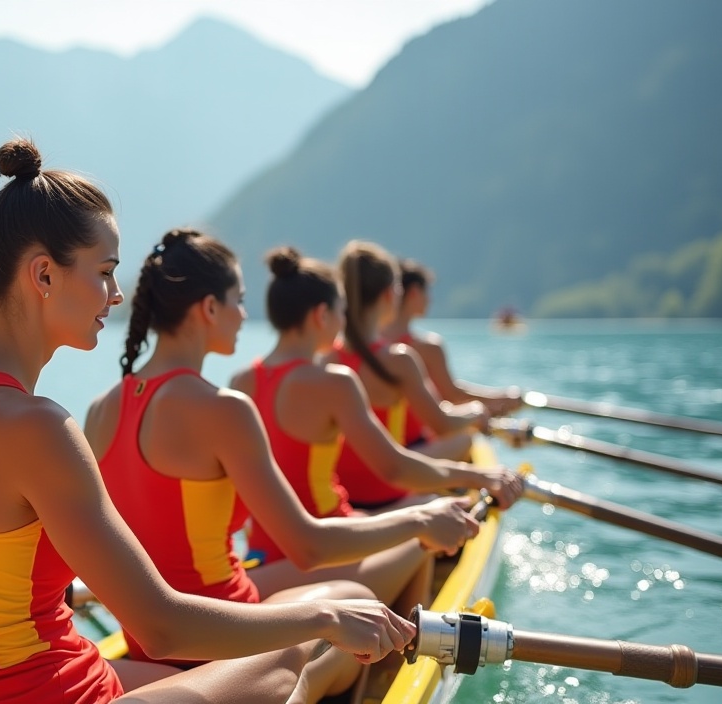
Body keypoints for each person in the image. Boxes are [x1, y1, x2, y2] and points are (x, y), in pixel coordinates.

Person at [0, 139, 416, 704]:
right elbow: (161, 627)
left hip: (5, 688)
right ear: (43, 275)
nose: (116, 295)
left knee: (321, 624)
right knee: (302, 650)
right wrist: (323, 620)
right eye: (105, 272)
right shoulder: (36, 426)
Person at [82, 230, 479, 701]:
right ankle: (395, 679)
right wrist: (421, 518)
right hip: (229, 639)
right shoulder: (223, 409)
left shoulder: (99, 410)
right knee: (380, 585)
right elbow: (308, 546)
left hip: (148, 642)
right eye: (238, 300)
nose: (245, 315)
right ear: (209, 308)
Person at [228, 246, 522, 566]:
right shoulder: (337, 379)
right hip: (329, 536)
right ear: (321, 316)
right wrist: (479, 475)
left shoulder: (243, 381)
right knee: (427, 522)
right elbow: (395, 467)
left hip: (262, 548)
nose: (344, 320)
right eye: (341, 310)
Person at [327, 240, 511, 509]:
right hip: (389, 492)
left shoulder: (326, 358)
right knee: (467, 439)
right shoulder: (398, 359)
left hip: (343, 494)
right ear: (390, 295)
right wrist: (477, 411)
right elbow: (442, 424)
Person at [382, 259, 522, 416]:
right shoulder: (429, 348)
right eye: (427, 292)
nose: (430, 299)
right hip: (421, 435)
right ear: (414, 292)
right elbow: (452, 396)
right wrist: (500, 397)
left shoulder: (369, 343)